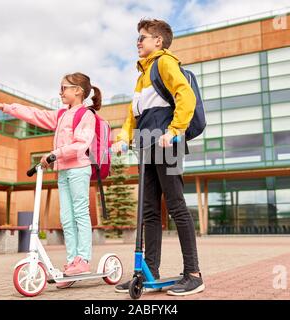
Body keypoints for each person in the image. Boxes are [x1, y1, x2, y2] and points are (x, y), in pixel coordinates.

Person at [111, 19, 204, 296]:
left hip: (168, 144)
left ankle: (194, 273)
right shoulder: (142, 75)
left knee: (176, 205)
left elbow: (185, 96)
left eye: (142, 37)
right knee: (149, 211)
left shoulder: (165, 63)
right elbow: (133, 115)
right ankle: (147, 271)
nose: (138, 42)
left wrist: (175, 131)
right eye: (137, 38)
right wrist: (122, 140)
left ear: (158, 41)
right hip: (145, 145)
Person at [0, 72, 101, 287]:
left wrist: (55, 154)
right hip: (63, 171)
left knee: (80, 214)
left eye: (64, 87)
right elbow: (34, 114)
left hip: (78, 169)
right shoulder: (61, 115)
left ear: (78, 90)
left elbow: (81, 144)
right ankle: (71, 262)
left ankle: (82, 260)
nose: (60, 92)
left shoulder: (86, 115)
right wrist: (5, 107)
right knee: (66, 218)